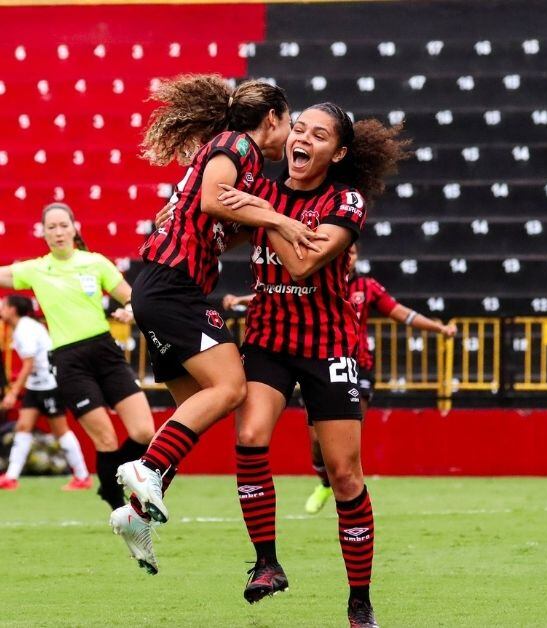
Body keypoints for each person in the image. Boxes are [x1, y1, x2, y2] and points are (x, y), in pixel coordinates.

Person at [218, 103, 406, 628]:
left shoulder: (344, 200)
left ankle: (359, 599)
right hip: (267, 340)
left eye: (318, 135)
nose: (303, 139)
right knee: (251, 436)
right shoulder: (265, 191)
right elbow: (221, 226)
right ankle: (266, 564)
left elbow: (302, 264)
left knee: (344, 475)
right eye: (298, 128)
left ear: (337, 152)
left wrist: (261, 213)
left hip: (328, 346)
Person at [113, 75, 327, 535]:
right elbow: (211, 201)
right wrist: (280, 220)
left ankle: (135, 514)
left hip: (162, 287)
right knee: (231, 387)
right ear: (272, 118)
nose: (292, 135)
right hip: (174, 287)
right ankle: (143, 468)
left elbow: (210, 218)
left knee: (195, 409)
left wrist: (260, 220)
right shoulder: (237, 145)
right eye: (290, 123)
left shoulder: (239, 162)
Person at [222, 243, 458, 515]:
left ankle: (349, 488)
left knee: (346, 442)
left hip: (357, 367)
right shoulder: (316, 277)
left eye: (354, 252)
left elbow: (401, 313)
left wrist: (438, 328)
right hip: (320, 362)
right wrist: (241, 300)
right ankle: (325, 483)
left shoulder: (367, 288)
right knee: (317, 444)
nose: (349, 257)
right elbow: (279, 295)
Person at [0, 203, 155, 511]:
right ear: (43, 233)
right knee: (106, 440)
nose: (58, 232)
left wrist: (130, 309)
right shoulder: (36, 269)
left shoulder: (95, 263)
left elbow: (131, 297)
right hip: (70, 362)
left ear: (74, 228)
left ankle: (116, 476)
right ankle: (116, 504)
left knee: (144, 432)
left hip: (105, 352)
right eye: (51, 227)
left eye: (63, 225)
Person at [0, 294, 91, 491]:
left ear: (13, 310)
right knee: (23, 427)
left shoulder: (25, 329)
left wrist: (13, 393)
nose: (1, 309)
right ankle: (11, 477)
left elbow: (29, 363)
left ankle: (83, 476)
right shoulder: (24, 326)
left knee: (61, 430)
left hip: (50, 385)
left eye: (4, 306)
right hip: (36, 385)